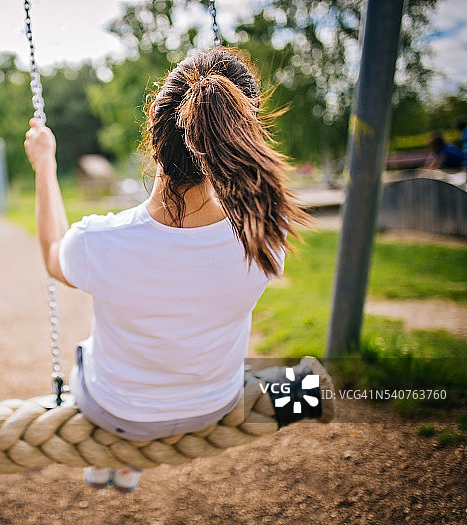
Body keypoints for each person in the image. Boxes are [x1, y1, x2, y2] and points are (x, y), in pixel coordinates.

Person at [24, 47, 310, 493]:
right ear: (241, 135)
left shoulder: (100, 242)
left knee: (88, 350)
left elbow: (51, 251)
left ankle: (114, 459)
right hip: (214, 403)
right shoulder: (268, 233)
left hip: (116, 409)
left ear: (154, 132)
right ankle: (120, 458)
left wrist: (45, 165)